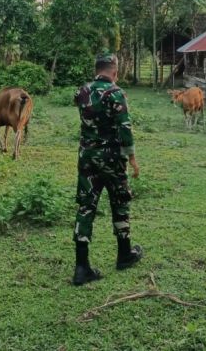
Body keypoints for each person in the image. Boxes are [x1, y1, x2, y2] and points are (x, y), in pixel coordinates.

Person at [71, 53, 143, 286]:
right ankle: (124, 254)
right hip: (112, 159)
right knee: (120, 202)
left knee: (86, 206)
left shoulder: (81, 91)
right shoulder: (116, 93)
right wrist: (131, 157)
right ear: (114, 71)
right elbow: (124, 127)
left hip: (87, 159)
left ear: (97, 68)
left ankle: (81, 268)